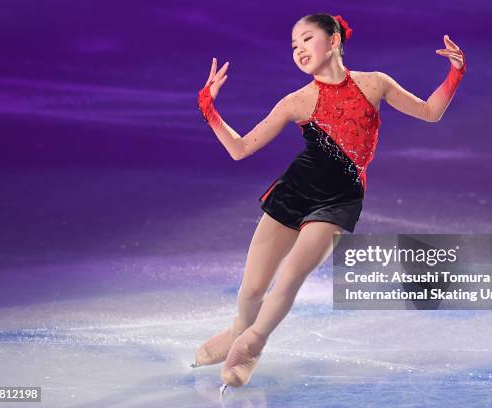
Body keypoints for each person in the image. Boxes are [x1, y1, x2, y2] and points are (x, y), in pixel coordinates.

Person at [193, 13, 466, 395]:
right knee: (253, 287)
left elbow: (429, 112)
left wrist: (455, 72)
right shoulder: (297, 101)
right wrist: (209, 110)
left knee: (290, 277)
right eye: (293, 45)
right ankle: (238, 328)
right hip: (294, 191)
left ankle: (251, 344)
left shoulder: (374, 84)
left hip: (340, 199)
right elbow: (240, 149)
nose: (299, 49)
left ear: (334, 39)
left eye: (306, 39)